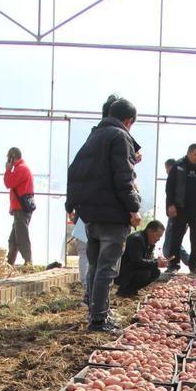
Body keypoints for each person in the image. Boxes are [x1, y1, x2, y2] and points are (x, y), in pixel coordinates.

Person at [66, 97, 141, 333]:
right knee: (107, 268)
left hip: (91, 215)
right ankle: (99, 319)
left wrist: (72, 204)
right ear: (129, 121)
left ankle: (96, 311)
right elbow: (124, 178)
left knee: (96, 265)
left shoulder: (95, 135)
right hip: (112, 215)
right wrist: (134, 207)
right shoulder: (120, 137)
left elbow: (74, 171)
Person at [166, 144, 196, 273]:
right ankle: (173, 265)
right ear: (189, 153)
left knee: (195, 238)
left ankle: (193, 265)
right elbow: (169, 187)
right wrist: (171, 204)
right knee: (176, 237)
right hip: (180, 207)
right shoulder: (178, 166)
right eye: (195, 154)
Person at [116, 220, 168, 296]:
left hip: (132, 269)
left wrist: (157, 260)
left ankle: (131, 290)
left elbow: (147, 260)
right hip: (123, 272)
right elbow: (137, 262)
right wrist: (156, 263)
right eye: (157, 236)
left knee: (156, 272)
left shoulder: (147, 241)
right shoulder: (136, 239)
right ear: (149, 231)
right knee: (146, 272)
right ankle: (124, 290)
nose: (158, 239)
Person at [3, 147, 34, 267]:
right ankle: (9, 263)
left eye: (8, 158)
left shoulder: (21, 169)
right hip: (19, 209)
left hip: (21, 209)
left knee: (21, 237)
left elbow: (8, 183)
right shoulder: (21, 168)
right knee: (13, 239)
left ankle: (28, 262)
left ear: (12, 157)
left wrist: (7, 170)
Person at [162, 159, 189, 267]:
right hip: (176, 215)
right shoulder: (178, 180)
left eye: (167, 169)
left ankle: (175, 264)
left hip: (177, 215)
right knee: (176, 243)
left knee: (169, 245)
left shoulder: (178, 181)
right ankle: (191, 262)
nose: (167, 172)